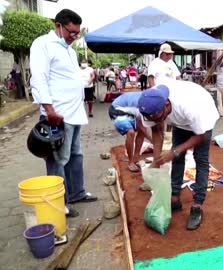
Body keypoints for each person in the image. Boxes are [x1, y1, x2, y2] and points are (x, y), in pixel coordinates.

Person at [30, 9, 97, 218]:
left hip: (74, 112)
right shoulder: (43, 44)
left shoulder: (69, 49)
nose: (74, 36)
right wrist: (49, 110)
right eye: (71, 32)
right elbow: (39, 78)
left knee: (76, 154)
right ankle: (60, 202)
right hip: (57, 114)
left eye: (77, 33)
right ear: (58, 25)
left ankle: (77, 192)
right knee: (58, 159)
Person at [137, 80, 219, 230]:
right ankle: (174, 198)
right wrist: (156, 161)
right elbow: (156, 131)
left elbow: (200, 136)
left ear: (167, 106)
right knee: (177, 157)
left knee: (200, 159)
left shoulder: (190, 107)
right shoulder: (149, 105)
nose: (155, 121)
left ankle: (197, 205)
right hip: (181, 122)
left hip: (203, 114)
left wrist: (175, 151)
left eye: (158, 117)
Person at [109, 92, 152, 172]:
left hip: (130, 112)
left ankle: (136, 157)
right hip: (116, 111)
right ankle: (130, 162)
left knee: (142, 130)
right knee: (131, 132)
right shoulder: (143, 105)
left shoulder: (150, 102)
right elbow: (142, 126)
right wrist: (153, 141)